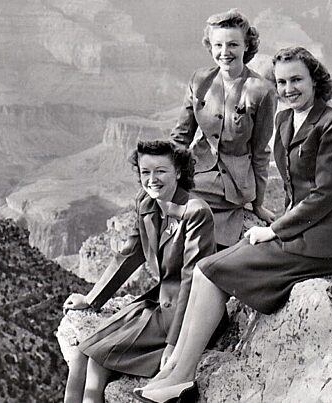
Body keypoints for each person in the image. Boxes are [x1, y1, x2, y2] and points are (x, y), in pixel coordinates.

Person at [133, 47, 332, 403]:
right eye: (281, 82)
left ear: (316, 80)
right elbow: (293, 191)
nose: (288, 89)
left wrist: (275, 230)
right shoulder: (285, 121)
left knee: (214, 270)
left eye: (297, 79)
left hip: (322, 244)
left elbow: (325, 195)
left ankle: (181, 376)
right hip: (295, 232)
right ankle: (175, 367)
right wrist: (271, 216)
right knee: (207, 268)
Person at [57, 140, 215, 403]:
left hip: (185, 318)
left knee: (97, 364)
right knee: (80, 356)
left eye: (160, 171)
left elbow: (192, 283)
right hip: (155, 306)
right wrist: (92, 299)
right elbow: (130, 254)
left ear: (178, 172)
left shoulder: (196, 213)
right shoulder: (147, 204)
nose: (152, 179)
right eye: (145, 172)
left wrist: (175, 347)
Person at [170, 8, 277, 249]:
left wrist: (258, 203)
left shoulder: (261, 91)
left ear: (246, 46)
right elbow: (181, 136)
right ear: (210, 46)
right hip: (197, 169)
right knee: (152, 194)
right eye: (218, 45)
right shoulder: (200, 81)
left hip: (234, 182)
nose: (224, 52)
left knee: (181, 200)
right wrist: (165, 169)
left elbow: (260, 152)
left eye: (232, 45)